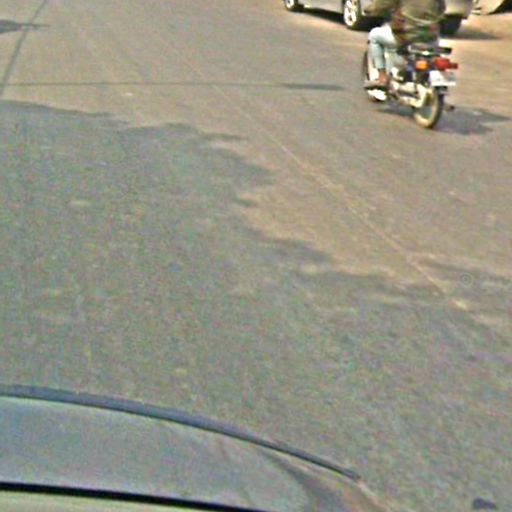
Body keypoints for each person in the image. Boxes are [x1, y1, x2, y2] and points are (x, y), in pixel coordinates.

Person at [363, 0, 446, 88]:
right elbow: (442, 9)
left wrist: (369, 9)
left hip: (407, 36)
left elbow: (382, 4)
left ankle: (382, 78)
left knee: (375, 35)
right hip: (430, 37)